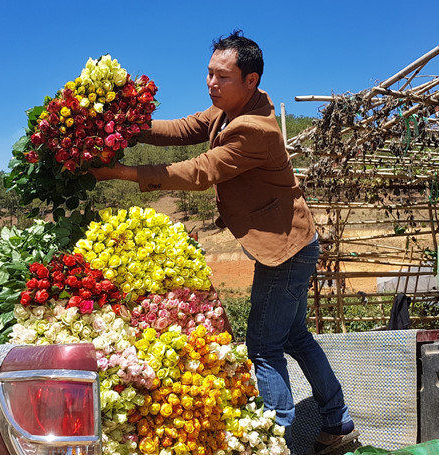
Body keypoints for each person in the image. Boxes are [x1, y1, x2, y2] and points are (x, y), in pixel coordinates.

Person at [90, 30, 358, 454]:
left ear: (250, 80)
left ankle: (278, 439)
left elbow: (200, 170)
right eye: (209, 74)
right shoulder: (229, 111)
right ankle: (338, 423)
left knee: (265, 345)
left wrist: (120, 172)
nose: (211, 83)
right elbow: (182, 128)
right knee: (295, 337)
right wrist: (127, 128)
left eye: (222, 76)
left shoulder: (255, 129)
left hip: (285, 251)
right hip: (291, 242)